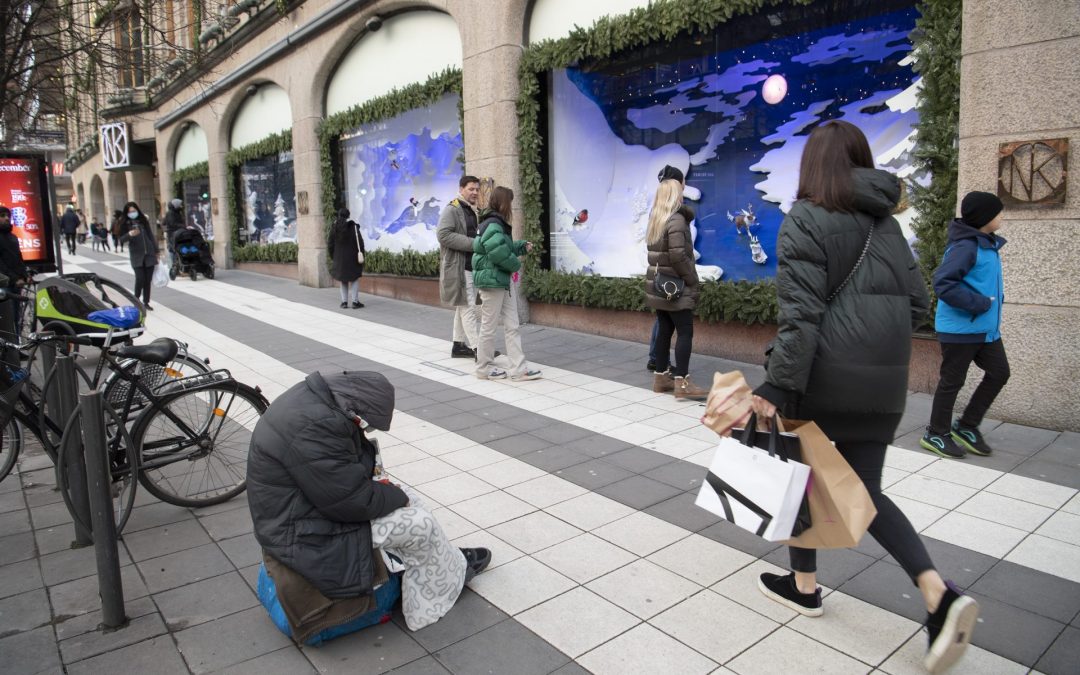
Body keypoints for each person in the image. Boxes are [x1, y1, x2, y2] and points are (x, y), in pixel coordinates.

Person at [749, 120, 977, 675]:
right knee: (861, 490)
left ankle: (826, 588)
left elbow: (801, 317)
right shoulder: (886, 226)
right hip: (882, 385)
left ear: (812, 166)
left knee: (797, 475)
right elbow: (918, 306)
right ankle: (923, 590)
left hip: (822, 380)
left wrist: (777, 383)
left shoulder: (804, 218)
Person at [247, 370, 491, 631]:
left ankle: (448, 563)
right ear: (355, 408)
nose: (366, 428)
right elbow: (352, 503)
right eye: (367, 423)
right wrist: (395, 495)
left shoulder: (317, 400)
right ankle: (430, 603)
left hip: (301, 512)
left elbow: (337, 478)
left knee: (409, 501)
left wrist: (388, 490)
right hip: (305, 532)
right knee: (419, 523)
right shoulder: (317, 425)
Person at [921, 192, 1009, 459]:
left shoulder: (987, 245)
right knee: (952, 382)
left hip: (985, 330)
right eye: (998, 213)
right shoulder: (966, 246)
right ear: (985, 218)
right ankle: (936, 433)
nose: (1002, 217)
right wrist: (979, 304)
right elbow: (944, 284)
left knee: (999, 372)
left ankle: (967, 426)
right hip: (960, 329)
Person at [643, 167, 707, 401]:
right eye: (682, 185)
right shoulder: (677, 219)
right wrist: (692, 279)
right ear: (676, 190)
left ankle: (661, 378)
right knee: (685, 332)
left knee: (664, 331)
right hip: (677, 287)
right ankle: (682, 382)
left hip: (660, 286)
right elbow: (679, 256)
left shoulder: (656, 218)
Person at [472, 186, 541, 381]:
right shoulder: (493, 223)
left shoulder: (494, 223)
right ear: (503, 203)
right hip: (494, 281)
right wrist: (515, 264)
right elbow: (497, 253)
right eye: (510, 202)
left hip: (500, 280)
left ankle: (518, 369)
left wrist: (520, 247)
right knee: (489, 326)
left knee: (512, 324)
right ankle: (483, 368)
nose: (511, 206)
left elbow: (502, 247)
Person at [438, 176, 482, 359]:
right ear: (461, 188)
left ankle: (458, 345)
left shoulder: (471, 209)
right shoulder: (453, 209)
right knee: (469, 307)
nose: (475, 192)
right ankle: (479, 350)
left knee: (463, 305)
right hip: (459, 267)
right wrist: (473, 244)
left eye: (477, 189)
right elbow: (443, 235)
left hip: (470, 266)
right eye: (471, 189)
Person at [118, 201, 159, 310]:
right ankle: (136, 300)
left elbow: (150, 234)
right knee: (140, 278)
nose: (132, 213)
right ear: (126, 213)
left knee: (147, 280)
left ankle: (146, 302)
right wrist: (129, 234)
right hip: (136, 255)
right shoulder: (125, 223)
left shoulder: (143, 220)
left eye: (134, 211)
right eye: (130, 212)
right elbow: (121, 239)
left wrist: (156, 250)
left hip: (149, 254)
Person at [327, 208, 366, 309]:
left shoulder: (335, 227)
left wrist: (333, 256)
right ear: (348, 215)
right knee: (354, 279)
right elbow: (360, 243)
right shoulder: (353, 227)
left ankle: (344, 302)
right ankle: (355, 302)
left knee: (343, 280)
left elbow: (330, 244)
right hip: (353, 257)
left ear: (339, 215)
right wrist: (362, 255)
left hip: (339, 259)